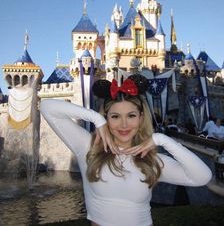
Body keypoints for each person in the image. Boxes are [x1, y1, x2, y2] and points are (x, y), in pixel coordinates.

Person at [40, 75, 212, 226]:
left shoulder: (152, 161)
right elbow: (47, 106)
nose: (124, 125)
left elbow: (203, 177)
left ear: (141, 117)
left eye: (131, 115)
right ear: (107, 117)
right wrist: (96, 118)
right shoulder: (88, 148)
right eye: (115, 116)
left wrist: (162, 139)